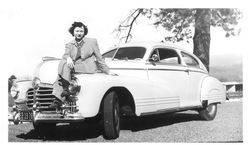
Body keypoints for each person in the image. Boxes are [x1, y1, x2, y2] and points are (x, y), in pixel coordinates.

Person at [52, 22, 109, 108]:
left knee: (62, 70)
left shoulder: (92, 42)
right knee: (64, 62)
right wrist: (68, 58)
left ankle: (59, 98)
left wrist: (107, 71)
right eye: (77, 31)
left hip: (87, 66)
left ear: (84, 32)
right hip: (75, 66)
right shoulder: (69, 44)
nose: (79, 33)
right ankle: (64, 92)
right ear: (73, 32)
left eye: (81, 31)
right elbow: (66, 54)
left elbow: (99, 57)